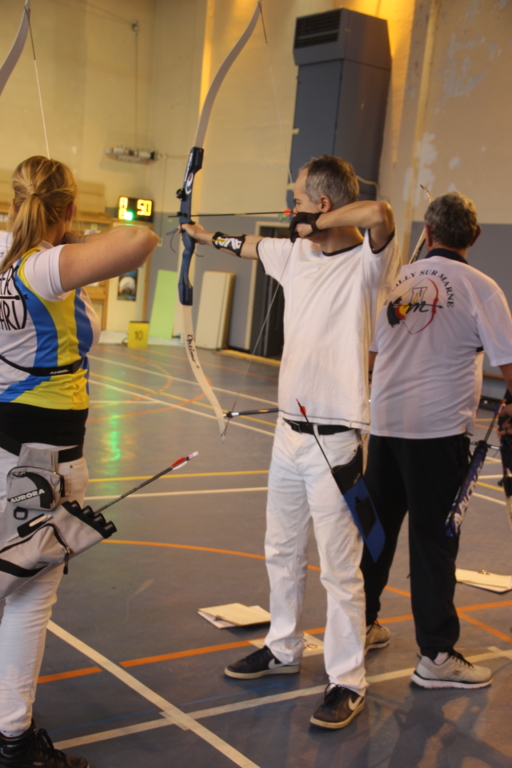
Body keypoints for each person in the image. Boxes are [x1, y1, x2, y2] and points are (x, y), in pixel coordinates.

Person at [181, 155, 400, 729]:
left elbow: (379, 213)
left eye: (298, 199)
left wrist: (314, 223)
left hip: (336, 442)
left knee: (340, 570)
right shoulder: (295, 254)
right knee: (280, 549)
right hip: (287, 434)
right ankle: (282, 647)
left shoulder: (369, 264)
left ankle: (347, 679)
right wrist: (201, 236)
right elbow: (249, 246)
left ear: (322, 204)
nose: (290, 207)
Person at [0, 156, 158, 768]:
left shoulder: (7, 254)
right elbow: (140, 238)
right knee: (26, 594)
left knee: (13, 585)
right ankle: (13, 740)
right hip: (42, 458)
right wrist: (73, 238)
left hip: (10, 445)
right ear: (66, 210)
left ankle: (11, 731)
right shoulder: (43, 266)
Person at [361, 191, 512, 689]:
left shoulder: (397, 281)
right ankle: (437, 656)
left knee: (375, 533)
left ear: (427, 233)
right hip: (436, 434)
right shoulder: (481, 288)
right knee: (434, 542)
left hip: (385, 427)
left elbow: (371, 359)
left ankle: (359, 625)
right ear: (475, 236)